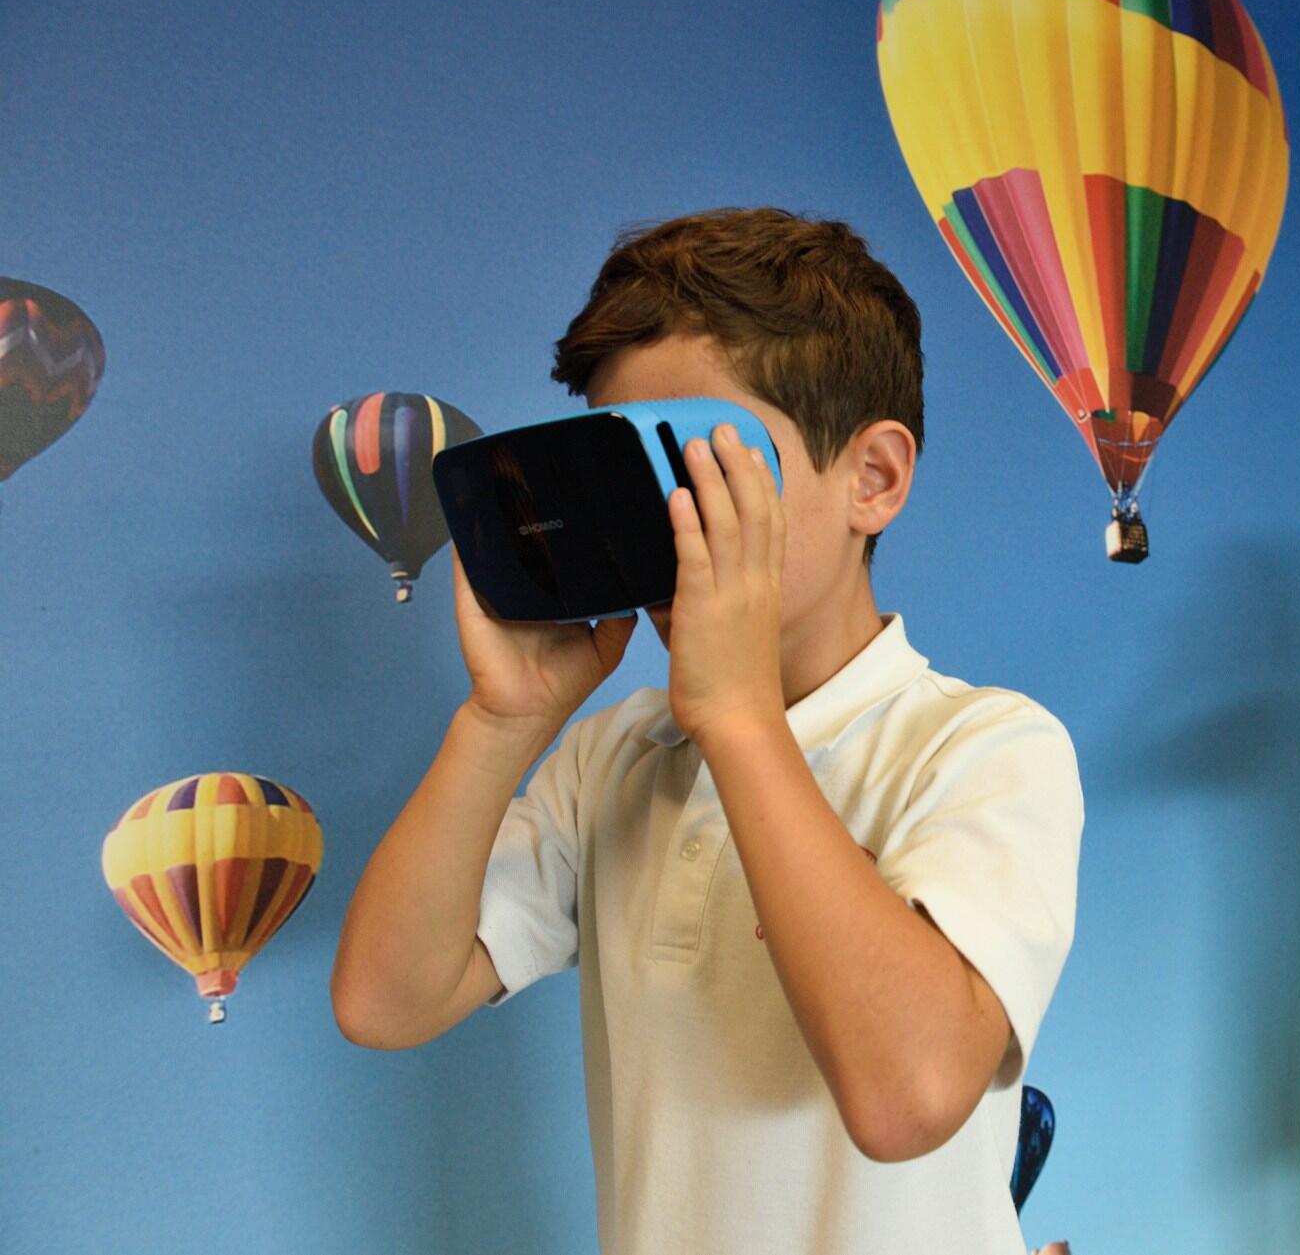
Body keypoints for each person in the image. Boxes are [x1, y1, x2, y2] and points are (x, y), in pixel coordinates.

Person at [331, 208, 1084, 1255]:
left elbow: (907, 1097)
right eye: (621, 475)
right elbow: (384, 1000)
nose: (659, 520)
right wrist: (502, 722)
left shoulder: (983, 749)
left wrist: (739, 718)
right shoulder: (619, 760)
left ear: (873, 479)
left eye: (696, 467)